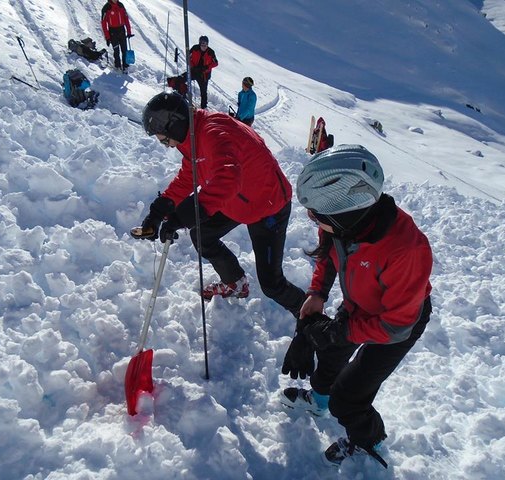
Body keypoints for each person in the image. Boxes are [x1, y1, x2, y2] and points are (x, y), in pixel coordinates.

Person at [280, 145, 433, 468]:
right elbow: (329, 254)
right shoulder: (347, 222)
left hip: (398, 322)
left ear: (346, 212)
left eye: (319, 216)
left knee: (349, 397)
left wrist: (341, 330)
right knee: (329, 355)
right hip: (359, 306)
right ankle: (318, 401)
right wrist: (318, 293)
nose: (315, 222)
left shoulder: (406, 250)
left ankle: (369, 439)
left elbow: (396, 325)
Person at [136, 92, 306, 319]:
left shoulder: (214, 132)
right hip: (237, 199)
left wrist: (182, 216)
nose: (167, 146)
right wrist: (160, 211)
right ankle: (235, 283)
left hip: (267, 204)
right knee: (202, 233)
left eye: (165, 139)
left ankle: (312, 316)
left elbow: (228, 177)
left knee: (272, 284)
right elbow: (190, 174)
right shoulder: (193, 137)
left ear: (174, 125)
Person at [101, 0, 133, 73]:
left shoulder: (121, 5)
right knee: (116, 50)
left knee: (124, 50)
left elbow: (126, 19)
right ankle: (117, 66)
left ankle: (125, 66)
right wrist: (107, 37)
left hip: (121, 30)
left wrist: (129, 31)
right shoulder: (106, 8)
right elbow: (103, 23)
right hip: (113, 31)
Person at [189, 36, 218, 109]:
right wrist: (192, 66)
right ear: (199, 43)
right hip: (194, 71)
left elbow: (216, 63)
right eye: (202, 44)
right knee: (182, 78)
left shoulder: (211, 52)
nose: (204, 46)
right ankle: (183, 94)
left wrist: (206, 68)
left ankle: (203, 107)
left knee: (203, 91)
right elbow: (188, 57)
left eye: (205, 44)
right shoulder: (194, 48)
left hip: (204, 75)